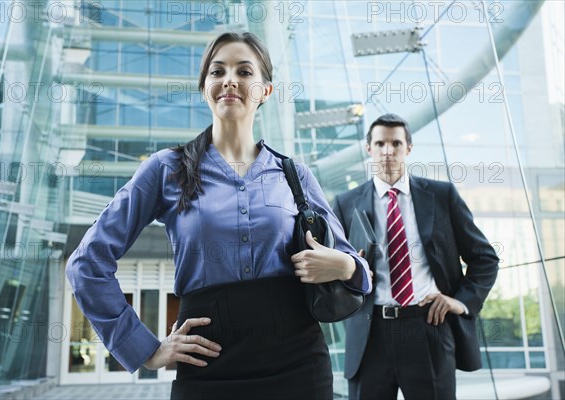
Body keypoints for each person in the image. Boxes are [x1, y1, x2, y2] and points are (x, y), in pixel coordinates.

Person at [66, 31, 371, 400]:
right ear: (204, 87)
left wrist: (345, 266)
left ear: (265, 91)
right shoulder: (166, 170)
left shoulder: (295, 175)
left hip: (298, 362)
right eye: (217, 71)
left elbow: (359, 269)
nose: (230, 80)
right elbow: (86, 262)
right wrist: (145, 348)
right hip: (208, 365)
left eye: (244, 72)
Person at [332, 113, 499, 400]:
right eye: (380, 143)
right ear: (368, 148)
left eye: (396, 143)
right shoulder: (346, 204)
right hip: (370, 335)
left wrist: (460, 301)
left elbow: (485, 258)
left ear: (408, 148)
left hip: (428, 327)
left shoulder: (442, 195)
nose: (387, 151)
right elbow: (333, 272)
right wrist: (349, 271)